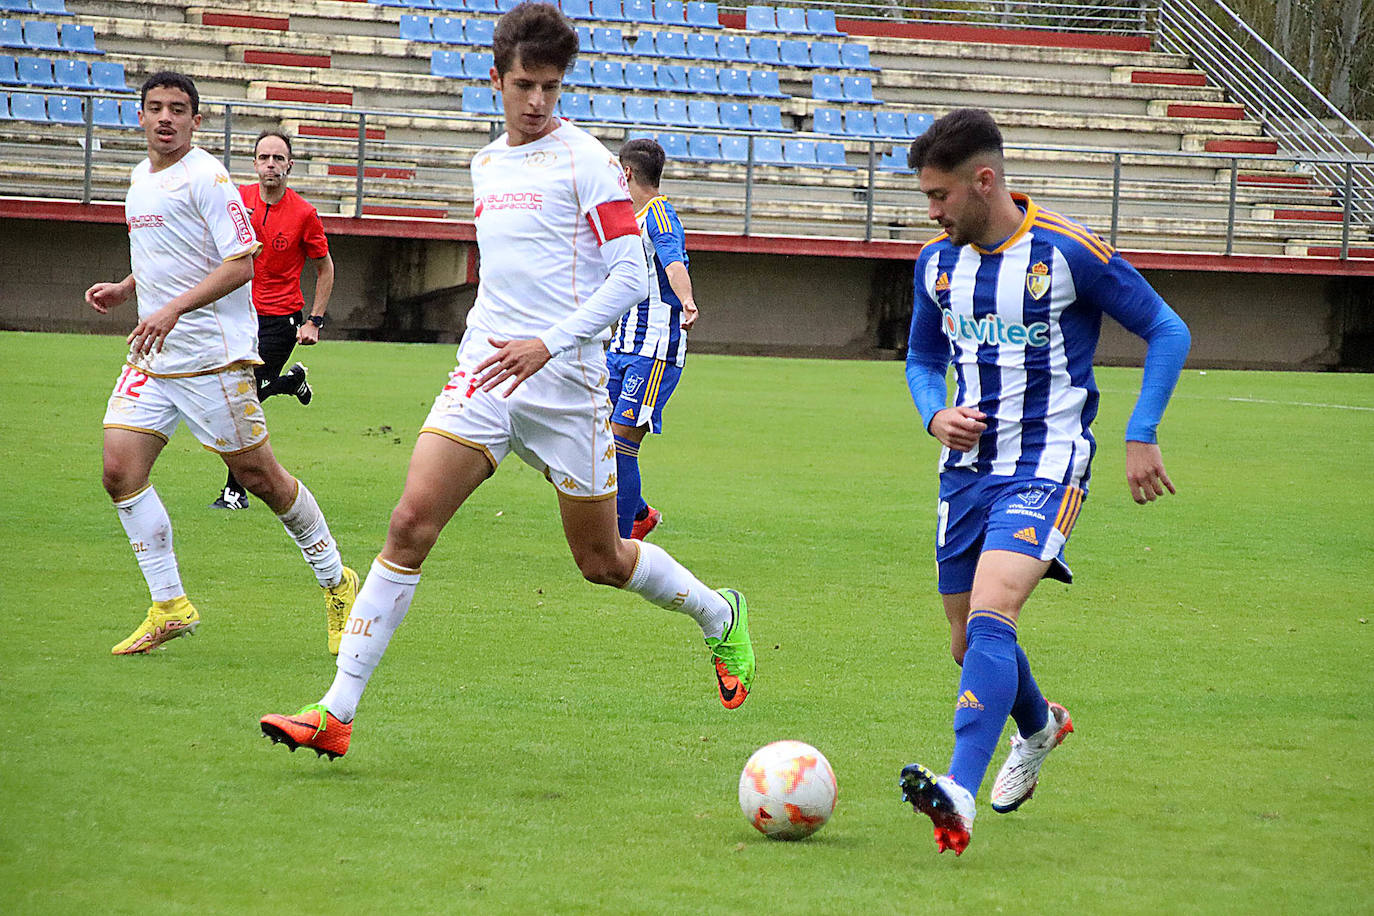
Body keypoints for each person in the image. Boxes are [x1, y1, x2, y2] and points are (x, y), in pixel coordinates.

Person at [259, 3, 754, 761]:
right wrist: (502, 344)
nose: (537, 101)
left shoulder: (588, 161)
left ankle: (720, 615)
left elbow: (629, 275)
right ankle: (336, 710)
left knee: (602, 561)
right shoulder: (485, 164)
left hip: (568, 385)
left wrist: (548, 344)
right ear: (496, 79)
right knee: (407, 525)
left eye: (551, 87)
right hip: (485, 373)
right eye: (525, 84)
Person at [895, 109, 1191, 855]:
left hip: (1048, 462)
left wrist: (1140, 432)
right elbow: (923, 362)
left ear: (983, 181)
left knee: (996, 610)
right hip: (964, 473)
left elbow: (1167, 328)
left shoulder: (1066, 252)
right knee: (968, 643)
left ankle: (958, 788)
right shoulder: (936, 264)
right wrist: (935, 416)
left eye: (939, 196)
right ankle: (1040, 724)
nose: (930, 212)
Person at [86, 71, 358, 657]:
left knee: (262, 479)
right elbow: (170, 256)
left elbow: (241, 264)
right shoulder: (139, 178)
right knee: (120, 471)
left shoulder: (208, 178)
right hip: (157, 354)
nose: (165, 118)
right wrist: (127, 288)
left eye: (177, 109)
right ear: (139, 116)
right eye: (154, 107)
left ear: (195, 121)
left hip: (212, 357)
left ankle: (338, 583)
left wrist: (172, 311)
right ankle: (170, 605)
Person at [211, 129, 336, 511]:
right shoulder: (238, 200)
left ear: (289, 166)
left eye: (278, 159)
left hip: (281, 319)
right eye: (264, 158)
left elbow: (325, 268)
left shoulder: (304, 213)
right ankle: (291, 382)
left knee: (247, 399)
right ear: (254, 164)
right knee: (238, 394)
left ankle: (235, 490)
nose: (271, 165)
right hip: (238, 315)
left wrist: (314, 321)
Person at [607, 138, 698, 541]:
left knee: (621, 441)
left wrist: (688, 301)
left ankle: (622, 541)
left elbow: (673, 260)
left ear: (626, 173)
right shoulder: (628, 215)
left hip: (655, 349)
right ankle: (640, 513)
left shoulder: (660, 216)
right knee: (594, 439)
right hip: (621, 345)